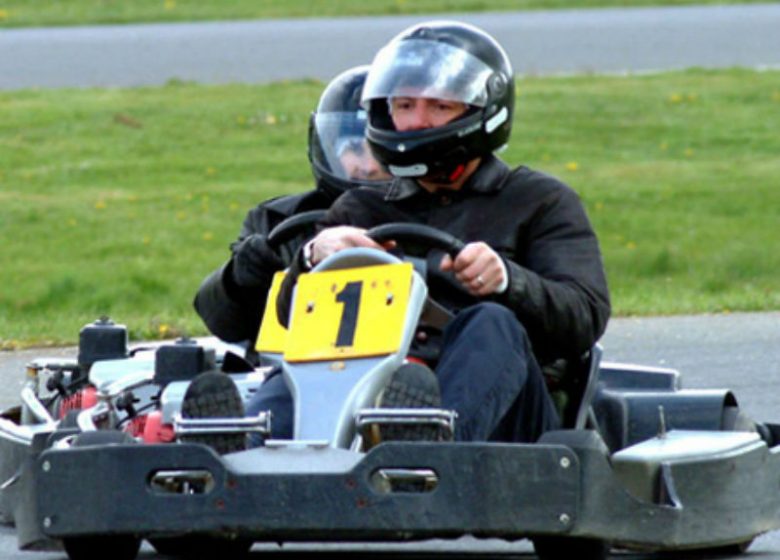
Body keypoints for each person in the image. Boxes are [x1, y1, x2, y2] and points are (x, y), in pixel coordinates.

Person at [275, 20, 611, 444]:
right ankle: (234, 444)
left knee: (491, 321)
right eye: (404, 105)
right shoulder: (359, 209)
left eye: (438, 107)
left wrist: (509, 282)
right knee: (292, 370)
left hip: (509, 418)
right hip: (372, 389)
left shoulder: (538, 201)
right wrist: (312, 258)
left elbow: (584, 316)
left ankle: (429, 444)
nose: (417, 122)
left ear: (480, 113)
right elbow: (292, 321)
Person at [192, 65, 391, 347]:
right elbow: (223, 324)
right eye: (354, 149)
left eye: (379, 153)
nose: (368, 167)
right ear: (327, 148)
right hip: (289, 364)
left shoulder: (430, 212)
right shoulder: (278, 220)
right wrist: (240, 278)